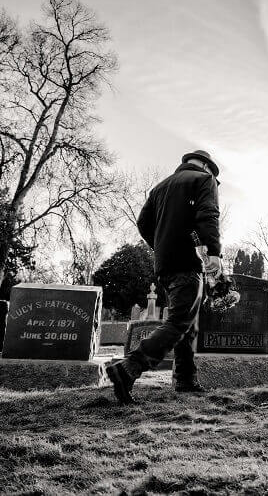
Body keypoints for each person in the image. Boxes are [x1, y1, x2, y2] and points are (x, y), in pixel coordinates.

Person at [106, 150, 222, 404]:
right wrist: (213, 254)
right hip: (188, 262)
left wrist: (161, 246)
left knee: (187, 322)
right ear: (205, 165)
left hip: (165, 264)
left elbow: (143, 224)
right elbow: (208, 216)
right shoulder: (204, 180)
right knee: (181, 321)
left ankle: (184, 378)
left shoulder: (160, 187)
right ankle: (129, 368)